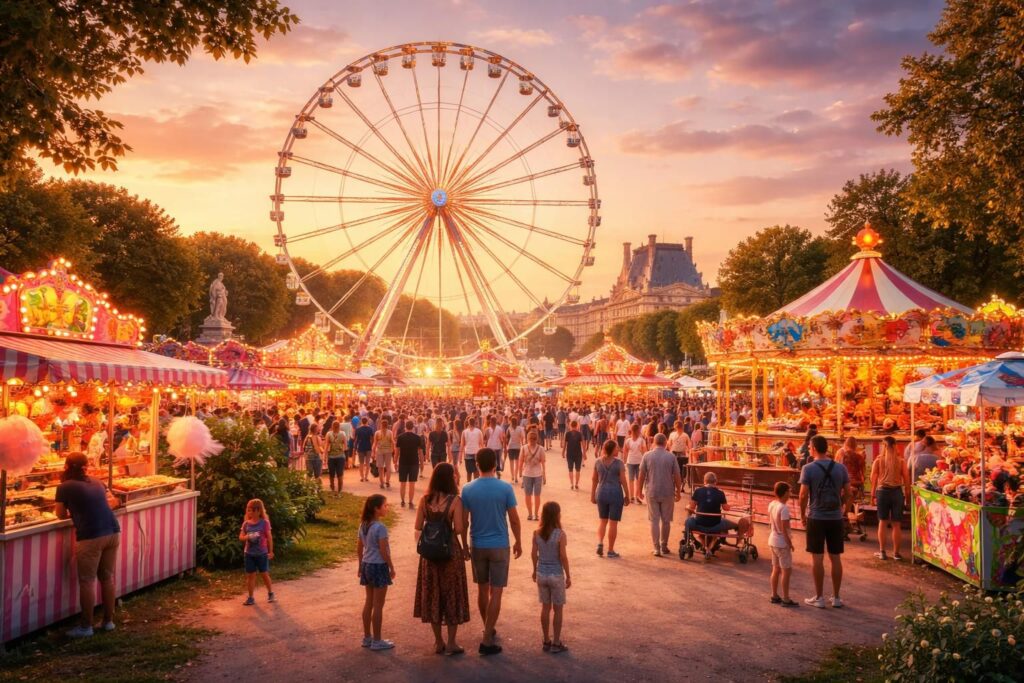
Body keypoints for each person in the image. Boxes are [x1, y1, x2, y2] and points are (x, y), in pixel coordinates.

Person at [460, 448, 522, 655]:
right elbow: (513, 519)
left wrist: (464, 544)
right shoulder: (505, 488)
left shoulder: (467, 489)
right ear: (495, 464)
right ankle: (487, 637)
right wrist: (518, 541)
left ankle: (488, 626)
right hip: (499, 544)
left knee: (482, 590)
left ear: (476, 464)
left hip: (477, 544)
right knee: (497, 591)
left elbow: (464, 521)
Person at [55, 452, 121, 637]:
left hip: (90, 535)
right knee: (107, 578)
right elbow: (112, 501)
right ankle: (108, 622)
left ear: (66, 466)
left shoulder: (64, 487)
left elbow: (60, 514)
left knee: (87, 581)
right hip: (112, 531)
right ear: (86, 466)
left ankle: (86, 627)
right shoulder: (97, 481)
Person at [414, 463, 471, 656]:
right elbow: (459, 529)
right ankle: (452, 643)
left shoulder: (425, 499)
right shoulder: (455, 501)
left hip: (430, 555)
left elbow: (418, 526)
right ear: (450, 478)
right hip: (450, 553)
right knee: (451, 594)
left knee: (433, 595)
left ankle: (438, 642)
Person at [799, 434, 851, 608]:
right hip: (835, 517)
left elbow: (803, 494)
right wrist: (845, 510)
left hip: (816, 517)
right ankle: (836, 597)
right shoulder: (840, 468)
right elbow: (849, 493)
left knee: (817, 558)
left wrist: (802, 514)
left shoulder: (808, 468)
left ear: (813, 448)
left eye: (809, 447)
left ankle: (819, 597)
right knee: (835, 557)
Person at [531, 501, 571, 654]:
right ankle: (556, 643)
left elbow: (533, 554)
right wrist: (568, 575)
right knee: (558, 609)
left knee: (545, 608)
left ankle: (546, 640)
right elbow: (563, 556)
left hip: (542, 573)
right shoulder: (560, 534)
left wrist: (534, 571)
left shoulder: (536, 533)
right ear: (557, 515)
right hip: (556, 574)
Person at [358, 494, 396, 651]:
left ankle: (367, 637)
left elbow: (359, 548)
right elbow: (384, 550)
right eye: (385, 505)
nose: (387, 508)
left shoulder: (363, 525)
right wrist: (391, 567)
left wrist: (360, 565)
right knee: (378, 605)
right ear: (376, 508)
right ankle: (377, 640)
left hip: (367, 564)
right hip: (378, 566)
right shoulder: (380, 528)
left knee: (369, 602)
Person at [636, 433, 682, 557]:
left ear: (654, 442)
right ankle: (664, 546)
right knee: (666, 521)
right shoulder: (671, 456)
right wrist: (678, 490)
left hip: (652, 491)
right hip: (668, 492)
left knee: (654, 520)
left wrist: (638, 490)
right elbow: (677, 475)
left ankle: (656, 548)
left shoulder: (647, 455)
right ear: (666, 442)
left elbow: (641, 475)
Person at [684, 471, 749, 553]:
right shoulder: (720, 493)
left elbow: (691, 507)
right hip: (716, 525)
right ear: (715, 482)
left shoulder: (697, 491)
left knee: (688, 520)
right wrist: (732, 505)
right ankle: (739, 542)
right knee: (737, 524)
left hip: (700, 523)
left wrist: (687, 507)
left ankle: (696, 543)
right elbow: (726, 508)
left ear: (704, 481)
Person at [870, 435, 911, 561]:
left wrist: (872, 496)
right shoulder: (901, 461)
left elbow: (873, 479)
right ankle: (896, 553)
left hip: (882, 492)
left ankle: (882, 552)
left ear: (884, 446)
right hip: (897, 492)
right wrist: (907, 497)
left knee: (882, 522)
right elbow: (907, 480)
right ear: (895, 446)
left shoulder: (878, 461)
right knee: (896, 524)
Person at [591, 440, 629, 558]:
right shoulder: (619, 463)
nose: (618, 450)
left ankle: (600, 543)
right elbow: (623, 480)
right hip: (615, 493)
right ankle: (610, 550)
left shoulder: (598, 461)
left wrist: (592, 494)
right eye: (616, 448)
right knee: (613, 523)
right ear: (612, 450)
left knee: (603, 521)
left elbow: (594, 480)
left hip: (601, 492)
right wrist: (627, 495)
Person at [239, 498, 275, 606]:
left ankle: (270, 593)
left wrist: (271, 551)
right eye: (248, 510)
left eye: (252, 510)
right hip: (249, 553)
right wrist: (246, 537)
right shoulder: (246, 524)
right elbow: (240, 536)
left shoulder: (265, 523)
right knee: (250, 575)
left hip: (262, 553)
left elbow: (269, 537)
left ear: (259, 511)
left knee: (264, 573)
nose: (249, 512)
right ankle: (250, 597)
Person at [767, 482, 797, 607]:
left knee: (775, 569)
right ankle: (786, 598)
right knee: (786, 571)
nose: (790, 494)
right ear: (784, 493)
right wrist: (790, 544)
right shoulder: (784, 508)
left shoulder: (772, 504)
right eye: (789, 491)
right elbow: (784, 529)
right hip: (781, 541)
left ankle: (774, 595)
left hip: (773, 539)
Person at [836, 436, 865, 540]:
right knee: (847, 507)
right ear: (855, 445)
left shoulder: (839, 453)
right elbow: (862, 473)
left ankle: (844, 527)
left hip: (840, 484)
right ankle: (845, 526)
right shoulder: (859, 456)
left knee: (842, 505)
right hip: (854, 484)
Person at [397, 420, 425, 508]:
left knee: (403, 483)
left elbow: (397, 451)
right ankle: (410, 502)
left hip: (403, 461)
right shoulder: (417, 438)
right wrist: (422, 462)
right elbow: (420, 452)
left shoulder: (400, 437)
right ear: (413, 427)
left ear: (405, 427)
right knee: (412, 484)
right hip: (414, 462)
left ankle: (402, 501)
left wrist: (395, 461)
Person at [521, 428, 546, 521]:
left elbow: (521, 461)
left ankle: (530, 514)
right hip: (537, 474)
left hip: (527, 474)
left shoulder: (523, 448)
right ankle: (535, 514)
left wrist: (520, 472)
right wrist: (544, 475)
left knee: (528, 495)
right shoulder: (541, 448)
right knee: (537, 495)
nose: (532, 441)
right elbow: (543, 463)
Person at [623, 423, 646, 503]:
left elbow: (644, 452)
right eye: (637, 431)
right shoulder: (628, 440)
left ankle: (637, 496)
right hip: (630, 462)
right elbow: (625, 451)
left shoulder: (641, 440)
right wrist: (624, 461)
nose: (638, 432)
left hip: (639, 462)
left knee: (638, 480)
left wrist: (641, 450)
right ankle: (632, 496)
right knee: (631, 479)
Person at [668, 421, 692, 494]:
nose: (678, 429)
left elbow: (689, 445)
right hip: (676, 454)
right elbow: (669, 444)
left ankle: (679, 487)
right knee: (678, 471)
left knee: (681, 472)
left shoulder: (684, 435)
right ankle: (677, 486)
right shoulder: (675, 434)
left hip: (681, 455)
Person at [562, 420, 587, 490]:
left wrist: (563, 452)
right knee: (578, 470)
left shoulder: (567, 434)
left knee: (570, 469)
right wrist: (584, 454)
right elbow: (583, 445)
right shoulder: (580, 434)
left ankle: (571, 484)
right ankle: (576, 484)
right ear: (577, 426)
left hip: (569, 454)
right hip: (578, 454)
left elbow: (564, 445)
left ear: (570, 425)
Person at [325, 421, 348, 494]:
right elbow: (346, 447)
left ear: (332, 426)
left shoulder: (328, 434)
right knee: (340, 473)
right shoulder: (343, 434)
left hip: (331, 456)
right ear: (339, 426)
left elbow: (326, 445)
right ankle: (339, 490)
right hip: (340, 456)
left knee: (331, 473)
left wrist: (325, 456)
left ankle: (332, 487)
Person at [373, 418, 395, 490]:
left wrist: (373, 452)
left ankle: (382, 483)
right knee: (388, 467)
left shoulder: (377, 433)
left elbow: (375, 443)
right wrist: (393, 449)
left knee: (380, 468)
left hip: (379, 451)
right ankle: (387, 481)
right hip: (388, 451)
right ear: (387, 425)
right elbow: (392, 441)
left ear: (381, 425)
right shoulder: (390, 432)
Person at [462, 418, 483, 483]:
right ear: (475, 423)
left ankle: (469, 485)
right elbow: (481, 443)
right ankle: (476, 486)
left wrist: (460, 456)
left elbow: (462, 444)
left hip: (467, 453)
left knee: (469, 472)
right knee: (476, 472)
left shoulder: (464, 431)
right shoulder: (479, 431)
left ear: (468, 423)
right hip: (477, 453)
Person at [354, 417, 375, 482]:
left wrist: (355, 448)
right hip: (368, 446)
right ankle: (366, 477)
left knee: (361, 463)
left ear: (361, 422)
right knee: (368, 463)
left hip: (360, 446)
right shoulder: (370, 429)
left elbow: (356, 440)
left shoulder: (358, 429)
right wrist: (372, 446)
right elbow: (372, 439)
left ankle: (362, 477)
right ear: (367, 422)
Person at [506, 418, 525, 484]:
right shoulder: (520, 428)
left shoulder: (509, 428)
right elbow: (523, 437)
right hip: (518, 447)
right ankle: (516, 477)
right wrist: (522, 444)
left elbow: (507, 438)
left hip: (510, 446)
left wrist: (506, 446)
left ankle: (512, 476)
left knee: (511, 462)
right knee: (517, 463)